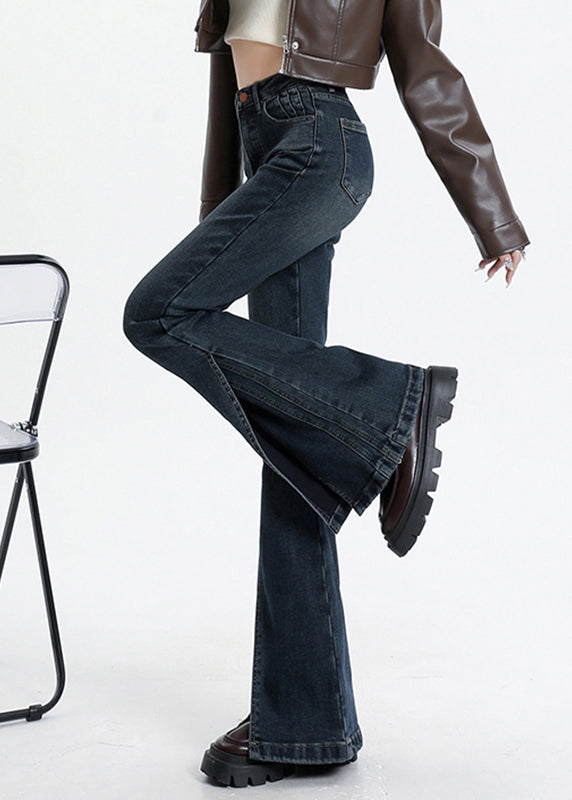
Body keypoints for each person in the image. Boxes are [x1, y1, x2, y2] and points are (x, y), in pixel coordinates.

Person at [123, 0, 530, 788]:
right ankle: (305, 725)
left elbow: (426, 67)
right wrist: (221, 216)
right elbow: (232, 78)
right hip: (268, 151)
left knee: (155, 315)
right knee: (292, 444)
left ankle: (390, 405)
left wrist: (494, 216)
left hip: (318, 144)